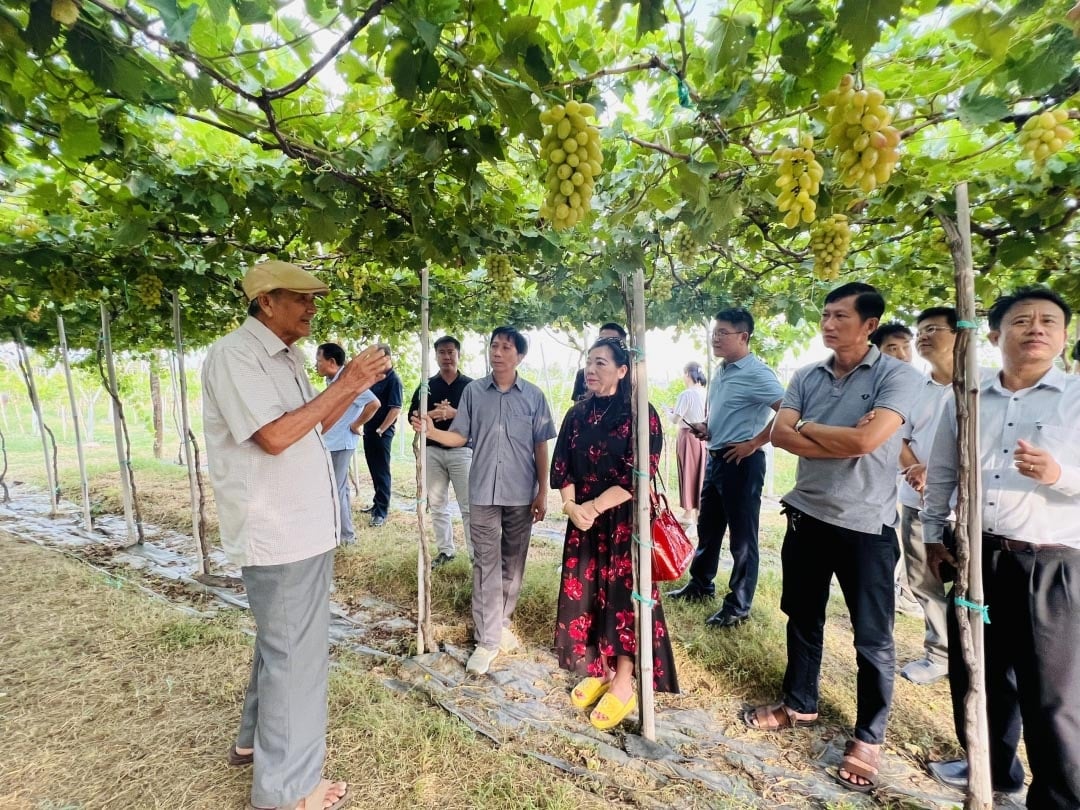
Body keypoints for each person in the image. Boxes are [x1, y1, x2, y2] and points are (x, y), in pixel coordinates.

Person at [202, 260, 389, 810]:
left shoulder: (285, 358)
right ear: (265, 302)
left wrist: (347, 391)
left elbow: (310, 426)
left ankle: (250, 743)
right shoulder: (236, 355)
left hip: (302, 529)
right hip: (278, 532)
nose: (311, 308)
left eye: (314, 298)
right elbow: (277, 437)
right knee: (296, 658)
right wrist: (349, 380)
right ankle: (287, 792)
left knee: (280, 645)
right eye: (300, 298)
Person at [744, 282, 921, 794]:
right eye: (825, 314)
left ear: (869, 325)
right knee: (802, 617)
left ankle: (869, 737)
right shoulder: (806, 374)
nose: (828, 324)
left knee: (873, 638)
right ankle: (799, 703)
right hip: (807, 516)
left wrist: (813, 429)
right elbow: (780, 435)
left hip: (867, 526)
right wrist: (836, 435)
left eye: (841, 316)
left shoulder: (897, 376)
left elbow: (869, 442)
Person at [922, 287, 1080, 807]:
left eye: (1049, 322)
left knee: (1051, 695)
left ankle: (1059, 797)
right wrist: (931, 534)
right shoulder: (965, 395)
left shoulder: (1077, 397)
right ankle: (992, 770)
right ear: (994, 336)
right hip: (978, 555)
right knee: (979, 673)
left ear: (1063, 336)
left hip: (1049, 561)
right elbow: (943, 469)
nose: (1036, 329)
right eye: (1022, 321)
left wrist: (1058, 475)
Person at [412, 326, 556, 675]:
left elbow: (541, 445)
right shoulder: (475, 392)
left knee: (513, 562)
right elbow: (461, 435)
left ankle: (500, 622)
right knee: (485, 562)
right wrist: (431, 432)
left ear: (519, 356)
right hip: (483, 492)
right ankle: (486, 639)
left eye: (506, 347)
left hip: (521, 492)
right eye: (494, 345)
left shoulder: (534, 396)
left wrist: (543, 490)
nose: (498, 352)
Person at [551, 337, 679, 730]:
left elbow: (637, 474)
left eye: (602, 363)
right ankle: (601, 669)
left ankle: (625, 681)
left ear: (623, 371)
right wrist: (573, 507)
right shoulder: (577, 413)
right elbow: (562, 467)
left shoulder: (642, 415)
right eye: (589, 362)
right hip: (585, 524)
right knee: (588, 596)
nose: (592, 369)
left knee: (624, 602)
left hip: (624, 522)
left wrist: (592, 507)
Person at [668, 308, 785, 632]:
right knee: (709, 528)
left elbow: (789, 410)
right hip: (717, 457)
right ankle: (700, 584)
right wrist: (709, 426)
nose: (715, 338)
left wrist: (755, 442)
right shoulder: (721, 370)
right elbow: (726, 413)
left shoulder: (757, 373)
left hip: (743, 463)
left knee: (742, 539)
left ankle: (738, 605)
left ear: (743, 337)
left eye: (723, 333)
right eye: (714, 332)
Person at [894, 308, 957, 685]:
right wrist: (916, 470)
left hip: (967, 507)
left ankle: (976, 653)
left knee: (971, 583)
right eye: (921, 331)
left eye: (934, 329)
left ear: (959, 335)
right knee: (923, 578)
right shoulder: (914, 389)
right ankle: (940, 654)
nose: (923, 337)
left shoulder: (981, 386)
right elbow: (897, 437)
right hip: (917, 499)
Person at [407, 335, 474, 568]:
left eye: (450, 352)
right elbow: (412, 416)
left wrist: (455, 413)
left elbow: (480, 418)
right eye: (442, 352)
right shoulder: (426, 386)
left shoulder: (470, 386)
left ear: (458, 354)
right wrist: (434, 415)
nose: (447, 357)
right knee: (437, 504)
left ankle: (476, 555)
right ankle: (446, 551)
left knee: (468, 505)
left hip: (462, 451)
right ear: (435, 356)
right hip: (432, 451)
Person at [316, 342, 380, 545]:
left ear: (331, 362)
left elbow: (374, 403)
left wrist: (356, 424)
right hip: (330, 442)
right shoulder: (331, 380)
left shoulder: (349, 380)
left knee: (338, 489)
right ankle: (337, 533)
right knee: (336, 489)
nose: (315, 365)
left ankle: (347, 537)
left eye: (318, 360)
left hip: (341, 443)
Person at [361, 344, 402, 527]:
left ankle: (381, 512)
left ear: (388, 358)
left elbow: (395, 409)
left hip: (381, 434)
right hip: (369, 430)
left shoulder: (394, 380)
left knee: (382, 471)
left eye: (379, 358)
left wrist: (381, 430)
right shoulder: (376, 378)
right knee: (374, 470)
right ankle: (376, 504)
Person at [667, 361, 708, 528]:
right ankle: (697, 511)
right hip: (703, 436)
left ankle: (688, 512)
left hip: (687, 435)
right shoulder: (706, 393)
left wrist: (668, 412)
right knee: (700, 473)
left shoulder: (686, 394)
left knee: (687, 471)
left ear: (687, 374)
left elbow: (676, 419)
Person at [571, 322, 626, 401]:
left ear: (622, 371)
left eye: (612, 341)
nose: (604, 344)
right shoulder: (583, 374)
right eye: (601, 339)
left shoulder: (634, 378)